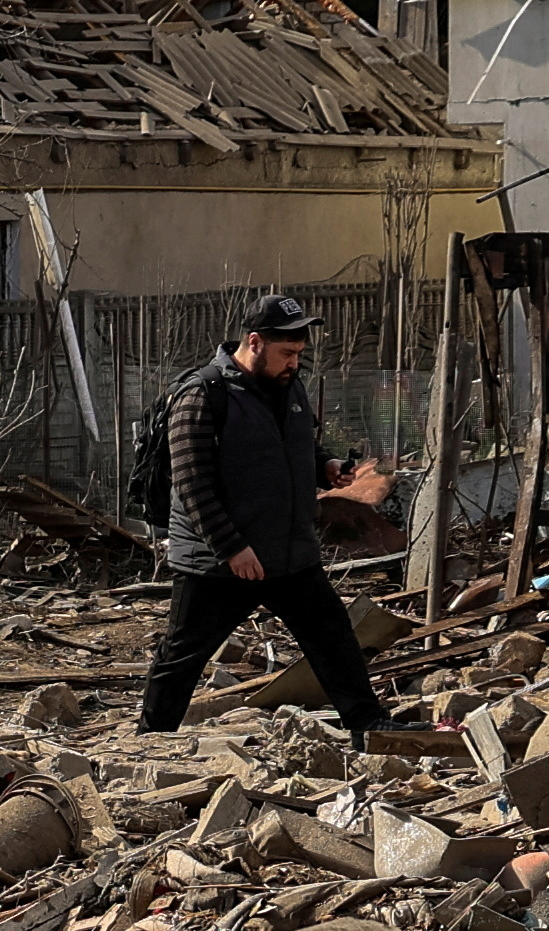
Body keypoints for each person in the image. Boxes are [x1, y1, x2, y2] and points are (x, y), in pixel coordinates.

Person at [139, 291, 395, 737]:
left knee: (333, 638)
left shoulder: (288, 386)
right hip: (218, 562)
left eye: (299, 353)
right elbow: (191, 482)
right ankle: (151, 739)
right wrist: (231, 547)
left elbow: (293, 447)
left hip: (288, 552)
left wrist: (326, 466)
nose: (295, 363)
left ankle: (369, 726)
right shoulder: (202, 394)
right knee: (183, 654)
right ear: (254, 342)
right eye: (287, 353)